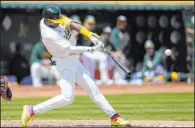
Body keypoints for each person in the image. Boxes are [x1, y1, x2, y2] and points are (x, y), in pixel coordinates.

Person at [21, 5, 131, 127]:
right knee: (67, 98)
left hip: (72, 59)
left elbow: (72, 24)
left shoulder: (54, 18)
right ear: (47, 20)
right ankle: (31, 110)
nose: (58, 23)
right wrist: (93, 48)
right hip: (61, 62)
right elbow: (71, 49)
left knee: (93, 88)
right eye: (55, 21)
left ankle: (114, 117)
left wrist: (90, 35)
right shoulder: (49, 34)